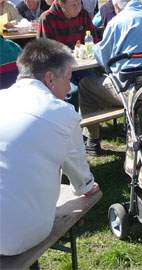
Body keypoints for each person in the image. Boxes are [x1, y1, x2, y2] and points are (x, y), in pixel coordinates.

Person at [0, 38, 100, 256]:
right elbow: (83, 183)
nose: (69, 88)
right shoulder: (63, 113)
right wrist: (90, 187)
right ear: (50, 78)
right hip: (17, 236)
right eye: (68, 78)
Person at [78, 0, 142, 156]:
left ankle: (92, 140)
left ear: (117, 6)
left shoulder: (118, 21)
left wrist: (93, 48)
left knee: (86, 84)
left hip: (134, 89)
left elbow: (103, 58)